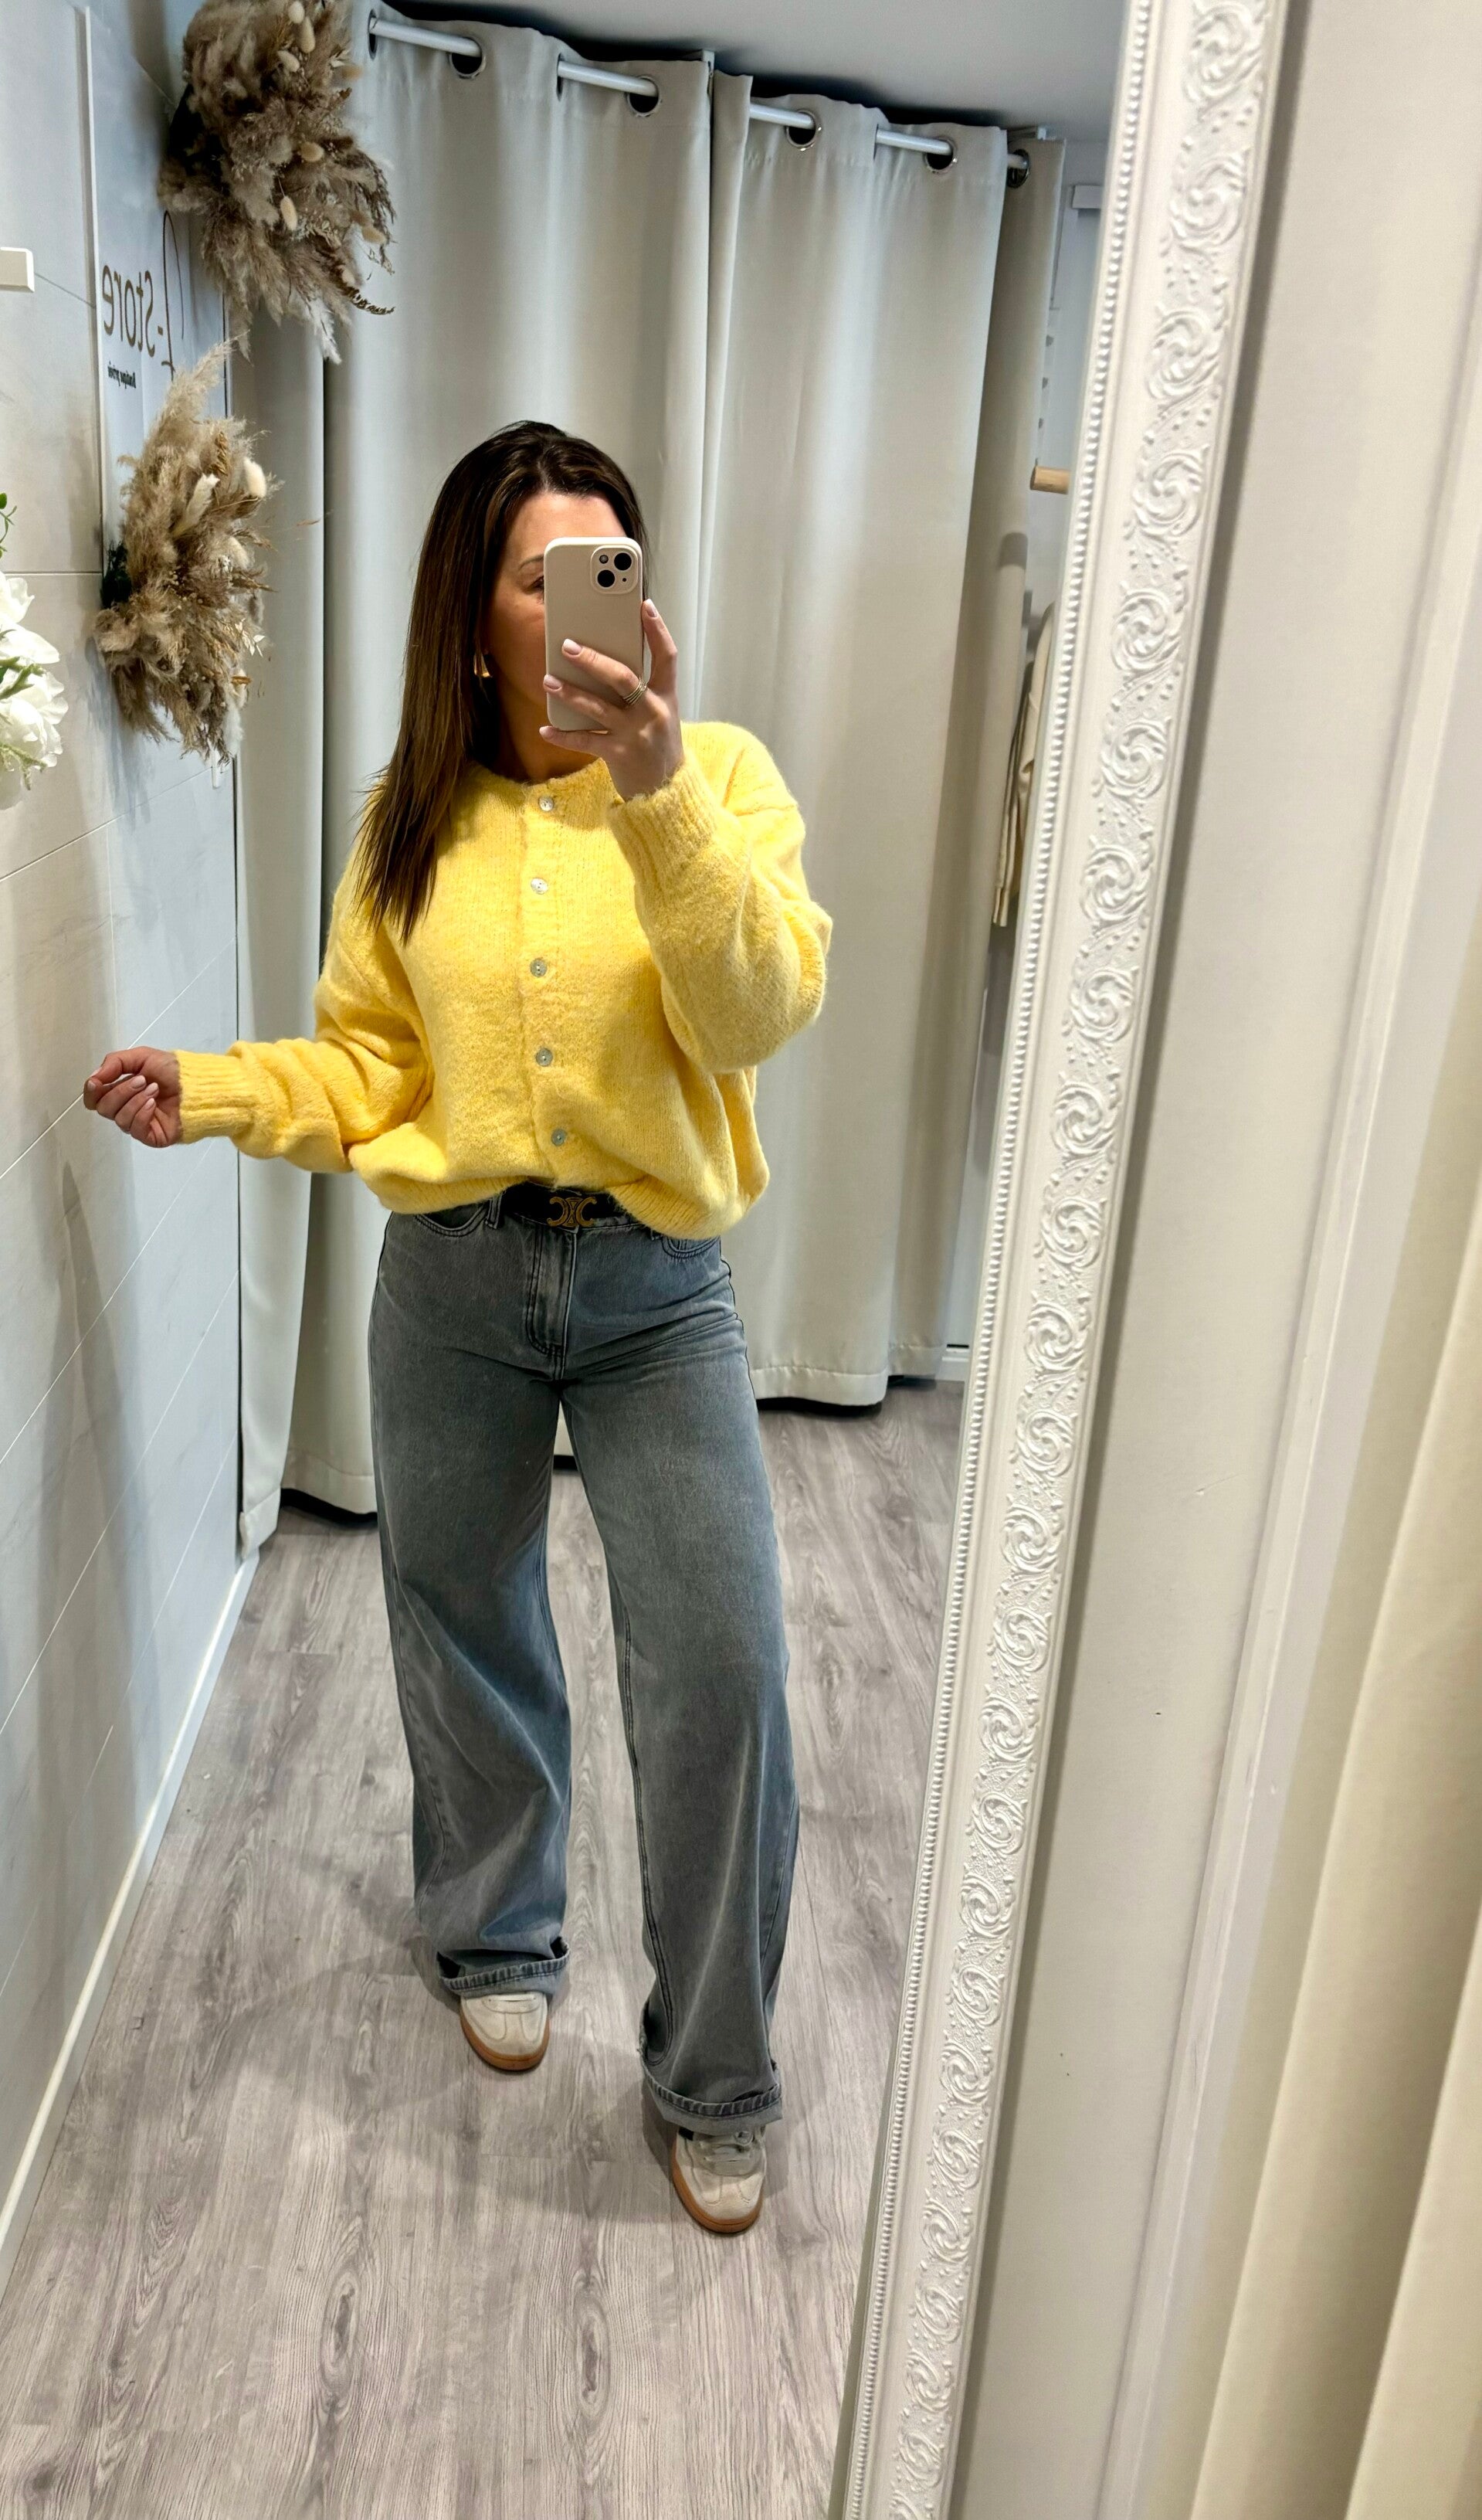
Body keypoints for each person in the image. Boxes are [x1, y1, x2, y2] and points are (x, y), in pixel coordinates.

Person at [83, 421, 833, 2238]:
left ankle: (715, 2069)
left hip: (659, 1295)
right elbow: (369, 1061)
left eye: (609, 565)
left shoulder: (720, 776)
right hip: (454, 1283)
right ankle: (499, 1925)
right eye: (540, 574)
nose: (583, 604)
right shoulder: (408, 817)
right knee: (463, 1616)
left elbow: (759, 1011)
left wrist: (656, 789)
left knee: (722, 1665)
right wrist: (217, 1087)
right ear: (473, 615)